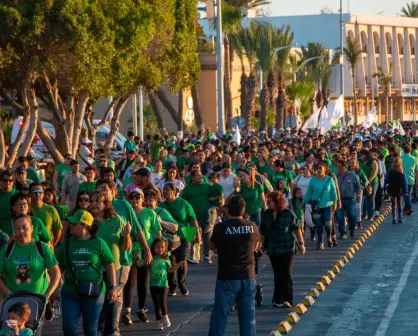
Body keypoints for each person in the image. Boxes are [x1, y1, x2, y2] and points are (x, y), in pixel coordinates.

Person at [56, 210, 118, 336]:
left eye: (74, 223)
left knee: (90, 331)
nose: (70, 226)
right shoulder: (66, 244)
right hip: (70, 291)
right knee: (69, 328)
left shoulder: (99, 243)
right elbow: (58, 268)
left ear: (84, 225)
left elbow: (110, 265)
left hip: (93, 292)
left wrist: (113, 287)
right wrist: (53, 289)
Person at [208, 196, 259, 336]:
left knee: (220, 315)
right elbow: (256, 247)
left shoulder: (221, 227)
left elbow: (211, 246)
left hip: (227, 276)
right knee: (248, 316)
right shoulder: (252, 227)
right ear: (243, 211)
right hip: (248, 276)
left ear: (228, 210)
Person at [0, 215, 61, 319]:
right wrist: (8, 294)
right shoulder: (7, 249)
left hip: (36, 303)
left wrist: (47, 295)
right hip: (13, 305)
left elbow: (56, 273)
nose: (21, 231)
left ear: (32, 228)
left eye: (25, 227)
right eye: (17, 228)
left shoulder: (42, 247)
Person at [89, 192, 131, 336]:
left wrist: (126, 234)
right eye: (91, 201)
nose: (93, 204)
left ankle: (111, 331)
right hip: (93, 268)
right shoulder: (88, 221)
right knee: (95, 300)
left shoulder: (117, 220)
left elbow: (125, 247)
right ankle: (97, 329)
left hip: (114, 267)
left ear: (106, 204)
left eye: (97, 201)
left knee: (112, 301)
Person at [122, 188, 162, 325]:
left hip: (146, 252)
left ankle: (141, 309)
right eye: (131, 197)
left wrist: (159, 252)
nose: (134, 199)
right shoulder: (125, 214)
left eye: (137, 197)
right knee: (130, 281)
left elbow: (157, 234)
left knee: (143, 282)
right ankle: (127, 311)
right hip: (130, 251)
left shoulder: (150, 213)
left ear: (143, 198)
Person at [260, 191, 305, 308]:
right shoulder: (267, 214)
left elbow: (296, 228)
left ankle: (288, 299)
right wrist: (261, 244)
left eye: (270, 201)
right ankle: (277, 299)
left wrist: (301, 244)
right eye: (267, 201)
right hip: (273, 248)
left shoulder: (288, 213)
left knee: (286, 273)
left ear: (277, 202)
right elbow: (262, 230)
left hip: (287, 247)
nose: (268, 203)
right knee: (277, 273)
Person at [158, 183, 200, 296]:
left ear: (174, 191)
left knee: (182, 259)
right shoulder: (161, 206)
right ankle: (172, 286)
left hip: (184, 235)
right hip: (168, 237)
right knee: (170, 261)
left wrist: (196, 235)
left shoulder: (183, 203)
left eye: (168, 190)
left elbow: (192, 219)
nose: (165, 192)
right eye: (164, 190)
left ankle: (182, 282)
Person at [303, 161, 338, 250]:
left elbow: (333, 192)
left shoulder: (329, 179)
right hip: (316, 205)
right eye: (317, 168)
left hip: (327, 205)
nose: (318, 170)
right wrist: (303, 202)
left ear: (325, 169)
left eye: (320, 168)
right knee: (318, 224)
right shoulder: (313, 179)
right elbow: (309, 192)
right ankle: (320, 242)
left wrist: (335, 203)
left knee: (327, 223)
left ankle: (329, 236)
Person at [181, 170, 213, 263]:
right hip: (193, 215)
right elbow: (184, 201)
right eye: (198, 176)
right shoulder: (188, 187)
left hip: (206, 214)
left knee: (206, 235)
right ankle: (195, 257)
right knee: (195, 234)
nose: (201, 177)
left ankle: (207, 255)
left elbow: (216, 196)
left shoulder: (208, 186)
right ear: (193, 178)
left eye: (201, 175)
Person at [149, 238, 172, 331]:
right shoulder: (151, 258)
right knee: (156, 303)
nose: (160, 249)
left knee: (162, 301)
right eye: (157, 247)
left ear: (165, 248)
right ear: (153, 248)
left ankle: (165, 316)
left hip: (163, 284)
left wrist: (179, 264)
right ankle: (159, 321)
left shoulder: (166, 258)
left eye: (162, 247)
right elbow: (142, 264)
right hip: (153, 284)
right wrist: (137, 260)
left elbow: (170, 269)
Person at [335, 159, 361, 239]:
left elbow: (358, 186)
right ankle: (343, 233)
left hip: (350, 199)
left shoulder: (352, 175)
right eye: (337, 166)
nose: (338, 167)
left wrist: (358, 195)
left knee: (352, 216)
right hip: (340, 200)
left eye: (339, 166)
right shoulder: (336, 176)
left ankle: (352, 230)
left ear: (344, 166)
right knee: (340, 217)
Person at [384, 157, 408, 224]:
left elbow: (386, 178)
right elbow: (404, 182)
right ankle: (399, 217)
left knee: (393, 203)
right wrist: (405, 191)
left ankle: (394, 218)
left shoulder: (390, 170)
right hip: (399, 189)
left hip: (391, 188)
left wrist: (385, 186)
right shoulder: (401, 171)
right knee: (399, 203)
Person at [359, 149, 379, 221]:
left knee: (371, 197)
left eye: (362, 154)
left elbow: (374, 173)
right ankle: (364, 214)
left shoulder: (373, 162)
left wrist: (368, 181)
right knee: (364, 198)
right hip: (364, 182)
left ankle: (371, 215)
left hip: (373, 182)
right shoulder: (360, 162)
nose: (360, 156)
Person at [400, 144, 418, 215]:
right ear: (410, 150)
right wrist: (417, 182)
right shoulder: (415, 159)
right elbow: (417, 171)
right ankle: (406, 209)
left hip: (402, 179)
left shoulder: (400, 158)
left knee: (405, 194)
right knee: (408, 194)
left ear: (403, 150)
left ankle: (409, 207)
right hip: (412, 179)